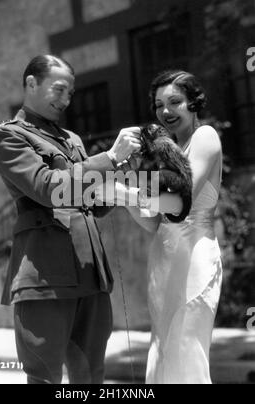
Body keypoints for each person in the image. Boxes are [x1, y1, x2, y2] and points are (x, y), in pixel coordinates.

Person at [0, 54, 141, 384]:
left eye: (70, 93)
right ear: (31, 83)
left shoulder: (71, 139)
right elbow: (46, 187)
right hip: (46, 276)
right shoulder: (9, 136)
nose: (66, 100)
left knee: (90, 376)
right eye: (59, 90)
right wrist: (109, 157)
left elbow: (92, 203)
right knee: (44, 377)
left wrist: (124, 176)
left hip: (90, 272)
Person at [124, 70, 223, 384]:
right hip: (163, 260)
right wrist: (128, 196)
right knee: (163, 353)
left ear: (193, 103)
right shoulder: (166, 153)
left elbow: (181, 202)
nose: (165, 111)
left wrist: (128, 192)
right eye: (158, 105)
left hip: (194, 259)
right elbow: (154, 223)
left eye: (175, 102)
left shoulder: (205, 137)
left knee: (186, 353)